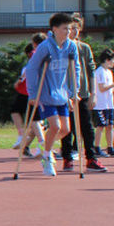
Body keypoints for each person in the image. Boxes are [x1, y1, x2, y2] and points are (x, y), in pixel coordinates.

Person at [24, 12, 81, 177]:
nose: (68, 32)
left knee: (65, 129)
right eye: (65, 28)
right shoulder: (45, 47)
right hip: (46, 94)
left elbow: (75, 69)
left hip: (62, 93)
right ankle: (47, 157)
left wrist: (74, 92)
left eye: (69, 28)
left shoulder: (71, 46)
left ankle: (44, 145)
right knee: (55, 126)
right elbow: (31, 69)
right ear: (54, 29)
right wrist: (33, 94)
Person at [59, 15, 106, 173]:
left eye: (77, 28)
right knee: (67, 128)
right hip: (65, 94)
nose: (74, 31)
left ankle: (91, 158)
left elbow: (91, 71)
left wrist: (93, 93)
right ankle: (67, 157)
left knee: (87, 127)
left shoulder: (84, 48)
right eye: (71, 28)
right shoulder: (61, 47)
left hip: (83, 93)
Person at [11, 35, 45, 157]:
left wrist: (20, 80)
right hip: (38, 92)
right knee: (36, 122)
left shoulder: (37, 54)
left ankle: (41, 144)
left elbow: (29, 69)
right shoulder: (46, 52)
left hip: (34, 92)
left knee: (35, 121)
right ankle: (28, 144)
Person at [91, 48, 114, 157]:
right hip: (101, 105)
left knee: (110, 126)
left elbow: (109, 89)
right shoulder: (99, 72)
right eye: (113, 59)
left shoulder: (109, 72)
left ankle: (110, 148)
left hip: (109, 104)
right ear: (107, 60)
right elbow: (102, 88)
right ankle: (97, 147)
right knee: (100, 126)